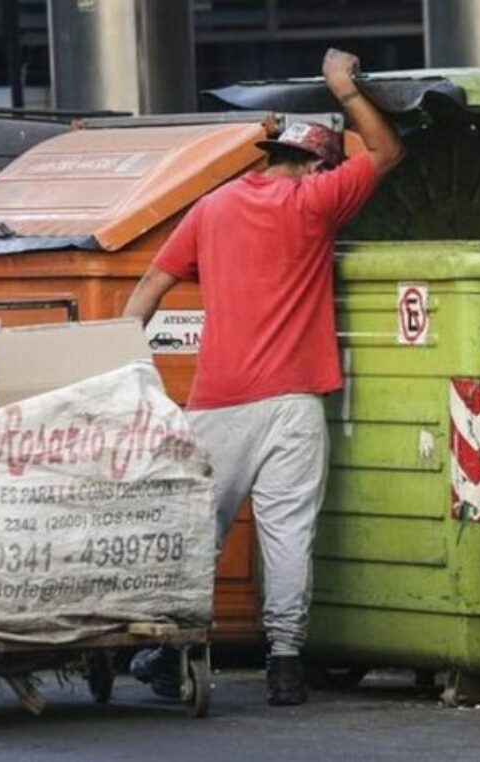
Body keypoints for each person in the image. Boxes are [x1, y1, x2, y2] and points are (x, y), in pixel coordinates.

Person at [122, 47, 404, 706]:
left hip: (217, 402)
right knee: (287, 532)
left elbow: (150, 288)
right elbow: (387, 153)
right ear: (313, 164)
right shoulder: (313, 202)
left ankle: (172, 649)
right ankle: (284, 665)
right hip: (293, 405)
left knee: (196, 531)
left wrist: (116, 369)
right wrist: (344, 88)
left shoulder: (210, 208)